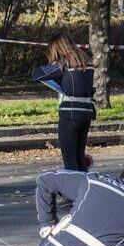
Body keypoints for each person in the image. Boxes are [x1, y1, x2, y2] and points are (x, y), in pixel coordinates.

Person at [32, 32, 95, 172]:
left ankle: (72, 192)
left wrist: (56, 69)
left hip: (69, 114)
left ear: (57, 48)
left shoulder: (64, 63)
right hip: (86, 113)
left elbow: (37, 74)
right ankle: (84, 190)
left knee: (70, 160)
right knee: (80, 158)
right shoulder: (87, 61)